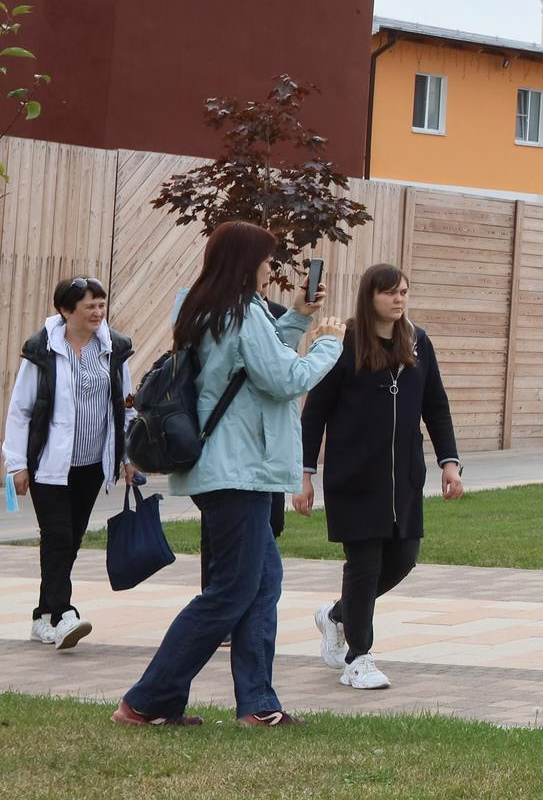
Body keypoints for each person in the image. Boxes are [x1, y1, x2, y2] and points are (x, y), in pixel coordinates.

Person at [115, 222, 344, 727]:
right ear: (245, 263)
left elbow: (247, 367)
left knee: (261, 583)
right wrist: (328, 344)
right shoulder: (240, 312)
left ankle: (258, 705)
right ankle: (147, 701)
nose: (271, 267)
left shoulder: (214, 308)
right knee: (232, 592)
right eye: (266, 259)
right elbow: (285, 378)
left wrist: (298, 321)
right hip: (238, 469)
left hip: (233, 468)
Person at [294, 264, 464, 691]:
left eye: (404, 292)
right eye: (390, 292)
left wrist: (449, 461)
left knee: (403, 559)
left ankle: (336, 616)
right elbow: (314, 413)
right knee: (365, 565)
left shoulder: (418, 342)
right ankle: (358, 658)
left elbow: (436, 405)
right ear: (370, 296)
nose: (399, 299)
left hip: (403, 478)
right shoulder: (344, 342)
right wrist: (304, 474)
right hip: (355, 477)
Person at [7, 277, 135, 651]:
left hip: (92, 463)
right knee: (58, 536)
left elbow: (125, 408)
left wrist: (127, 457)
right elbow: (21, 409)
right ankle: (63, 614)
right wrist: (16, 463)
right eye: (89, 306)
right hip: (49, 463)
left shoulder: (113, 348)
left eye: (101, 305)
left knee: (71, 539)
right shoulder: (42, 350)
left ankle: (42, 617)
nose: (98, 313)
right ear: (66, 311)